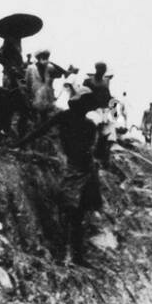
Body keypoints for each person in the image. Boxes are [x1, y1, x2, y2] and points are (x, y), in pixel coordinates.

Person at [58, 72, 112, 265]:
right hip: (75, 170)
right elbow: (43, 129)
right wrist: (20, 143)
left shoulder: (87, 125)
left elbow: (91, 151)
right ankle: (67, 255)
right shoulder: (67, 118)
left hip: (83, 171)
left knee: (77, 215)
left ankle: (76, 256)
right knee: (71, 214)